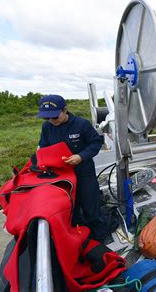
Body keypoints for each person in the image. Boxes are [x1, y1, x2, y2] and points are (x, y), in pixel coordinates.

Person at [37, 94, 109, 241]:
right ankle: (79, 235)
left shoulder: (82, 124)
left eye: (55, 117)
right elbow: (43, 147)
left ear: (65, 110)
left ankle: (100, 236)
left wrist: (81, 156)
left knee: (91, 206)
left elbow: (96, 143)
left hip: (84, 172)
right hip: (62, 175)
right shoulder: (47, 127)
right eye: (47, 118)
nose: (51, 121)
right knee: (71, 207)